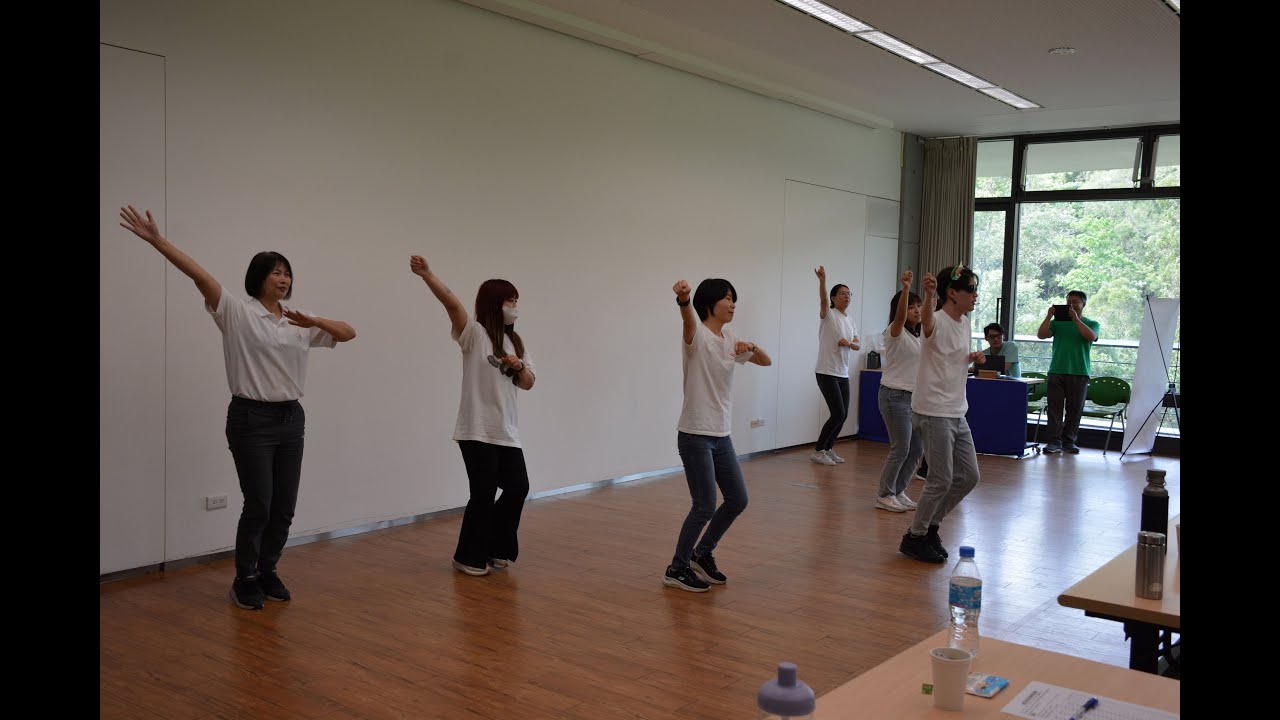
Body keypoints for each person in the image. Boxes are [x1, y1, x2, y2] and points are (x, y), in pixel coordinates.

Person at [119, 205, 357, 609]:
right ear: (258, 277)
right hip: (251, 418)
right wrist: (158, 241)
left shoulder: (299, 320)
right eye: (275, 272)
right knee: (260, 502)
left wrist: (315, 322)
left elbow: (349, 333)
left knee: (284, 506)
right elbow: (200, 276)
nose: (284, 278)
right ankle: (245, 577)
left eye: (287, 273)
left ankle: (268, 570)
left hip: (291, 419)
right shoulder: (237, 313)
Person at [411, 255, 534, 576]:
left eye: (516, 300)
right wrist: (428, 275)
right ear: (494, 303)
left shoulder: (516, 342)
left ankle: (495, 547)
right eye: (509, 300)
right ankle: (468, 556)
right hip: (476, 430)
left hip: (507, 432)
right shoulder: (474, 334)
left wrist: (519, 365)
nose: (514, 306)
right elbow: (452, 304)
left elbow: (528, 383)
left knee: (518, 487)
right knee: (483, 493)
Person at [664, 278, 772, 592]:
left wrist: (750, 346)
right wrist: (684, 300)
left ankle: (702, 553)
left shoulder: (731, 339)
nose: (733, 304)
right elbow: (688, 320)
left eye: (733, 298)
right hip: (695, 434)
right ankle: (677, 568)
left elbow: (766, 361)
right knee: (704, 505)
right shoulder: (697, 335)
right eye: (727, 298)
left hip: (721, 435)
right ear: (710, 302)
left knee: (738, 499)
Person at [899, 265, 986, 564]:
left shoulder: (965, 323)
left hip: (957, 410)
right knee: (940, 479)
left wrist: (971, 358)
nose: (975, 295)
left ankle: (929, 527)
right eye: (970, 290)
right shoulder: (935, 318)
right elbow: (927, 324)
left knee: (969, 476)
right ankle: (915, 537)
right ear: (952, 293)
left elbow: (950, 358)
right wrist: (928, 294)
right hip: (934, 411)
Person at [874, 270, 925, 513]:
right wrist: (906, 288)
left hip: (914, 399)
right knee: (901, 447)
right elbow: (900, 317)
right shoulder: (894, 332)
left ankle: (898, 490)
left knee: (916, 449)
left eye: (919, 306)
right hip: (894, 396)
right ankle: (884, 494)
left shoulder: (919, 336)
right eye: (912, 306)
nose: (917, 310)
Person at [1036, 291, 1100, 454]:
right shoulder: (1057, 323)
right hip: (1056, 370)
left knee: (1075, 409)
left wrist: (1076, 319)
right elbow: (1041, 335)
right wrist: (1048, 316)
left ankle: (1069, 441)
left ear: (1083, 304)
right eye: (1068, 301)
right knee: (1054, 408)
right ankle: (1053, 442)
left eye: (1075, 302)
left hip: (1080, 371)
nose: (1071, 305)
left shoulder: (1092, 323)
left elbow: (1091, 336)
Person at [810, 266, 860, 466]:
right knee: (838, 413)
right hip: (826, 371)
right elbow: (822, 300)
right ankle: (818, 451)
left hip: (842, 372)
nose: (847, 296)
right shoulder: (829, 314)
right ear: (833, 298)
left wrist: (848, 344)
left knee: (843, 415)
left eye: (849, 294)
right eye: (842, 293)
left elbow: (857, 345)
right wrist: (822, 281)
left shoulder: (850, 320)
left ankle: (828, 448)